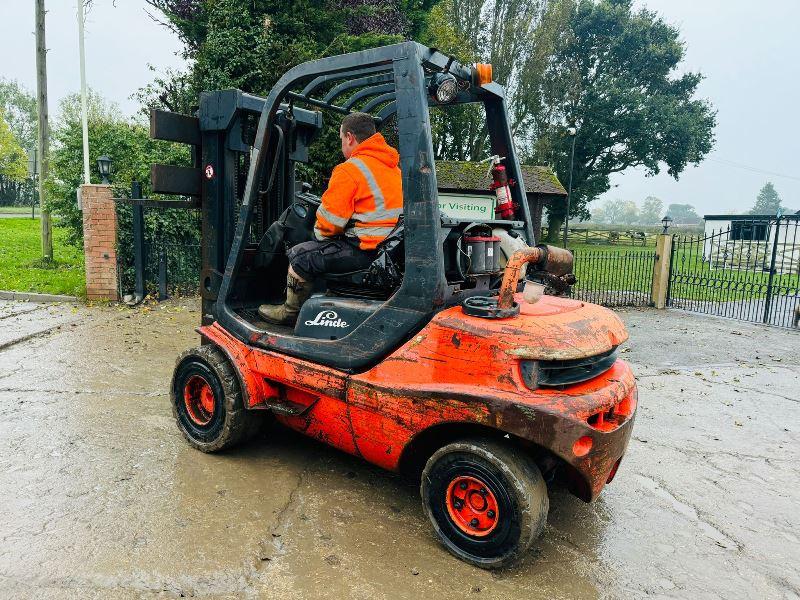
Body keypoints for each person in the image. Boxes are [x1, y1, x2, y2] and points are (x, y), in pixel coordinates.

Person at [258, 112, 403, 325]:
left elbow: (329, 225)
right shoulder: (394, 169)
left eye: (341, 139)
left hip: (364, 250)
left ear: (350, 137)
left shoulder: (350, 170)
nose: (342, 144)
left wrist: (315, 234)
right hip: (390, 252)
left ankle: (290, 313)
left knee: (301, 256)